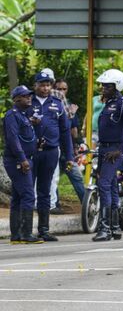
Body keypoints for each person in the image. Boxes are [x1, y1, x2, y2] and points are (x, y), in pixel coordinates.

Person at [93, 69, 123, 242]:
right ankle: (115, 228)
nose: (103, 88)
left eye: (107, 86)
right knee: (111, 186)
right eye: (103, 85)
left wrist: (120, 149)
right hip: (104, 149)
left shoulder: (121, 103)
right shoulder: (108, 102)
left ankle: (104, 228)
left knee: (103, 184)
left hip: (113, 150)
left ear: (117, 86)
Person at [29, 71, 74, 242]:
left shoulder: (57, 103)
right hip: (31, 153)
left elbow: (65, 132)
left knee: (45, 190)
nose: (45, 88)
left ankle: (44, 229)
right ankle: (24, 230)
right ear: (36, 85)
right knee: (27, 191)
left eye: (48, 85)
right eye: (42, 84)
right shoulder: (28, 102)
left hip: (51, 152)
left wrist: (69, 156)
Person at [4, 86, 43, 244]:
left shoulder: (23, 116)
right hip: (18, 161)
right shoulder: (12, 115)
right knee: (28, 195)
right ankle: (26, 234)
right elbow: (13, 139)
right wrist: (22, 159)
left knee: (18, 197)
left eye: (29, 96)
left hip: (25, 158)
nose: (29, 98)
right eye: (25, 96)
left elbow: (26, 137)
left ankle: (16, 235)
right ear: (16, 99)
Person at [48, 78, 86, 211]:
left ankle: (87, 205)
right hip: (53, 148)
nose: (62, 91)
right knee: (54, 178)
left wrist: (76, 146)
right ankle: (55, 204)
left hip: (67, 149)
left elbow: (73, 130)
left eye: (65, 89)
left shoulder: (69, 106)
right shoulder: (51, 106)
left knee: (76, 177)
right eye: (59, 89)